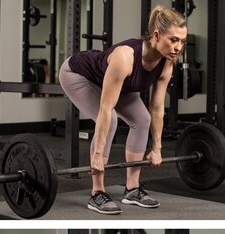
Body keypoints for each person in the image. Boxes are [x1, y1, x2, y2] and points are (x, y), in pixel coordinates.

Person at [59, 6, 186, 214]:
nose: (178, 47)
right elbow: (106, 107)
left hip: (115, 82)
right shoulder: (126, 57)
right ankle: (97, 192)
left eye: (182, 41)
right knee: (111, 120)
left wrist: (157, 148)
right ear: (156, 35)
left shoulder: (167, 64)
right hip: (78, 75)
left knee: (142, 119)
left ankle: (132, 188)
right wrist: (98, 155)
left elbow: (156, 108)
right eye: (173, 40)